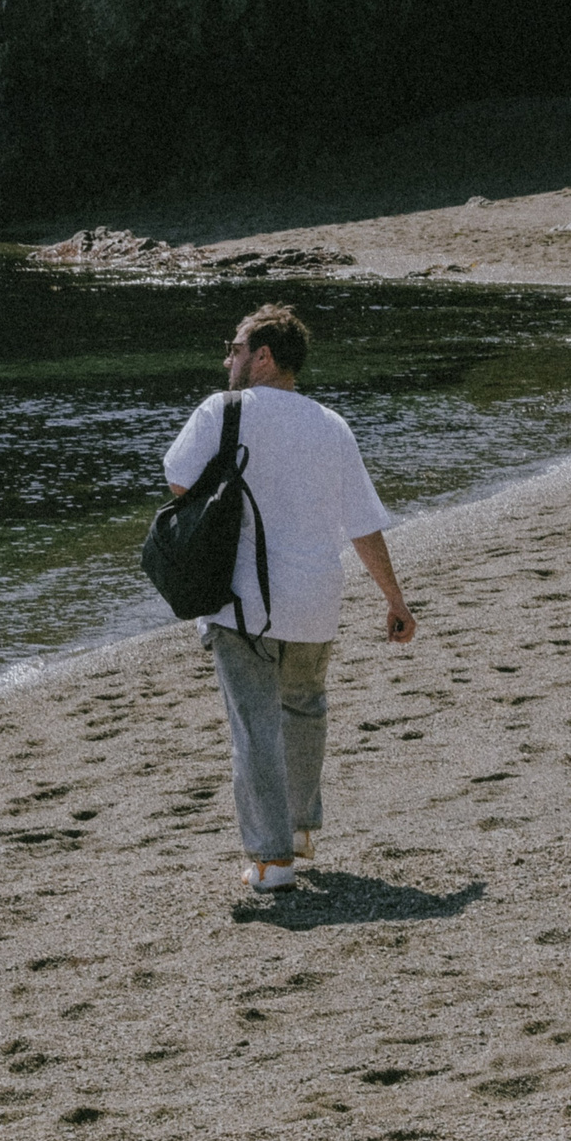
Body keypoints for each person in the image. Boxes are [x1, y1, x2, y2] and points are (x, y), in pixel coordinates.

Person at [162, 303, 416, 892]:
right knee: (304, 708)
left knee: (254, 725)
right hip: (316, 599)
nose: (228, 358)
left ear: (264, 355)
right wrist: (395, 601)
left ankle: (271, 861)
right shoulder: (331, 424)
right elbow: (362, 524)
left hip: (242, 599)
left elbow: (179, 482)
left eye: (235, 347)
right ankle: (299, 830)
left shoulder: (221, 412)